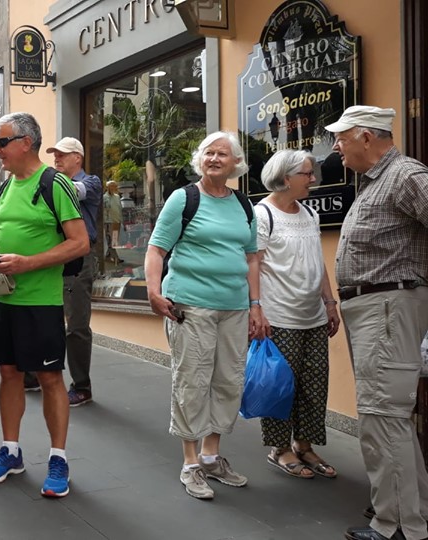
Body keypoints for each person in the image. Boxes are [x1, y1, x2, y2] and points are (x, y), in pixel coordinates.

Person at [144, 131, 267, 501]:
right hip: (190, 305)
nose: (215, 159)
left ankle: (212, 456)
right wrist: (154, 291)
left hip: (234, 307)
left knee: (228, 380)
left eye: (223, 155)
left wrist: (256, 305)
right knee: (192, 380)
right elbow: (156, 249)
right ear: (201, 160)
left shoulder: (244, 205)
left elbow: (251, 259)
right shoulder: (184, 198)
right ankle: (191, 463)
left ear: (236, 165)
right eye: (209, 153)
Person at [324, 106, 428, 540]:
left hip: (389, 306)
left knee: (382, 417)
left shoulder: (405, 175)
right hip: (374, 309)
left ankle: (398, 526)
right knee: (385, 416)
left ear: (366, 137)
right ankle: (410, 510)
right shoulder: (375, 181)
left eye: (341, 137)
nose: (335, 146)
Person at [0, 112, 89, 498]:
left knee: (50, 378)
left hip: (41, 303)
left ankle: (58, 458)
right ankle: (11, 450)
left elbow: (80, 243)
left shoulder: (54, 183)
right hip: (5, 298)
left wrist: (29, 263)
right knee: (8, 374)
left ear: (26, 142)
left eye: (2, 142)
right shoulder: (4, 188)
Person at [255, 149, 341, 481]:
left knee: (314, 385)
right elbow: (254, 265)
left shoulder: (308, 213)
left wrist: (330, 303)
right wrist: (256, 309)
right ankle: (280, 449)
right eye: (307, 173)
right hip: (280, 316)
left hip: (313, 315)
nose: (313, 179)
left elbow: (317, 262)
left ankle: (304, 445)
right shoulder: (263, 214)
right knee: (281, 386)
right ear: (286, 177)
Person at [40, 136, 101, 407]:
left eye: (62, 155)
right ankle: (35, 374)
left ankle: (82, 385)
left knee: (76, 324)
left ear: (78, 157)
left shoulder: (91, 182)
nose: (56, 159)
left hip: (80, 259)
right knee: (45, 315)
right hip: (54, 255)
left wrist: (42, 179)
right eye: (55, 155)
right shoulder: (55, 182)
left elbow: (72, 191)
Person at [104, 180, 122, 248]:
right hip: (108, 221)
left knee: (115, 240)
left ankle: (114, 255)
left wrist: (121, 220)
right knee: (109, 239)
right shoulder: (104, 197)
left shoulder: (117, 197)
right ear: (107, 187)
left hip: (117, 221)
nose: (112, 188)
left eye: (114, 186)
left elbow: (119, 208)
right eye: (111, 186)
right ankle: (110, 255)